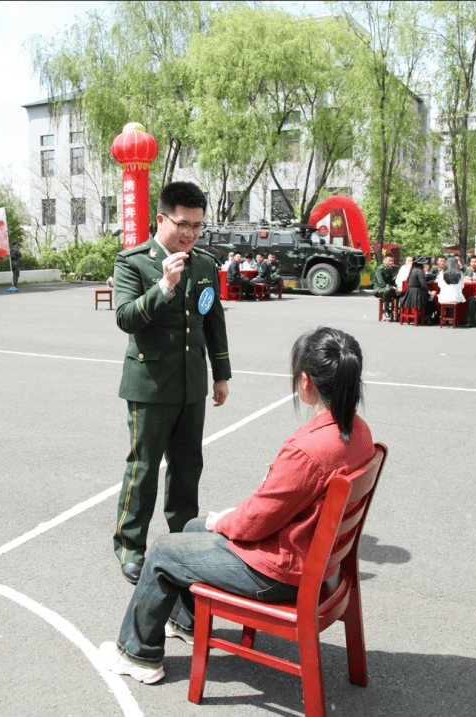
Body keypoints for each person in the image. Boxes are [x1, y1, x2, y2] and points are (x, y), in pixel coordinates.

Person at [98, 327, 375, 684]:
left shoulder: (310, 449)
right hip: (316, 563)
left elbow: (259, 519)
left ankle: (137, 656)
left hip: (282, 574)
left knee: (165, 551)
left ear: (306, 382)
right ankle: (184, 622)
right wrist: (224, 521)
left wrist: (225, 522)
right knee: (190, 527)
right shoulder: (359, 431)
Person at [112, 181, 232, 585]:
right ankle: (130, 546)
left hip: (191, 382)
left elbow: (212, 319)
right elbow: (126, 317)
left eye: (198, 226)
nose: (191, 234)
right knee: (143, 468)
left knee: (187, 466)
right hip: (148, 383)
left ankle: (181, 541)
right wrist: (162, 287)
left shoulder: (204, 264)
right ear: (160, 219)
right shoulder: (134, 262)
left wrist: (221, 374)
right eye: (183, 224)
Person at [399, 256, 434, 322]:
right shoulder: (419, 271)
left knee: (429, 299)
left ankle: (424, 316)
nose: (424, 264)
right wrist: (430, 292)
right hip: (416, 294)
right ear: (421, 264)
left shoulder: (413, 270)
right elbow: (423, 284)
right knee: (431, 300)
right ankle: (427, 317)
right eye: (424, 263)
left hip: (410, 292)